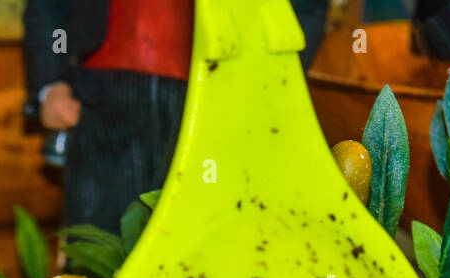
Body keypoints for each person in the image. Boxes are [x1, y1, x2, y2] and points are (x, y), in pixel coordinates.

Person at [24, 0, 331, 231]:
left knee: (205, 242)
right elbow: (48, 5)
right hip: (100, 96)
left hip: (218, 91)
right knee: (97, 249)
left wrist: (272, 81)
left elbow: (306, 7)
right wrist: (49, 86)